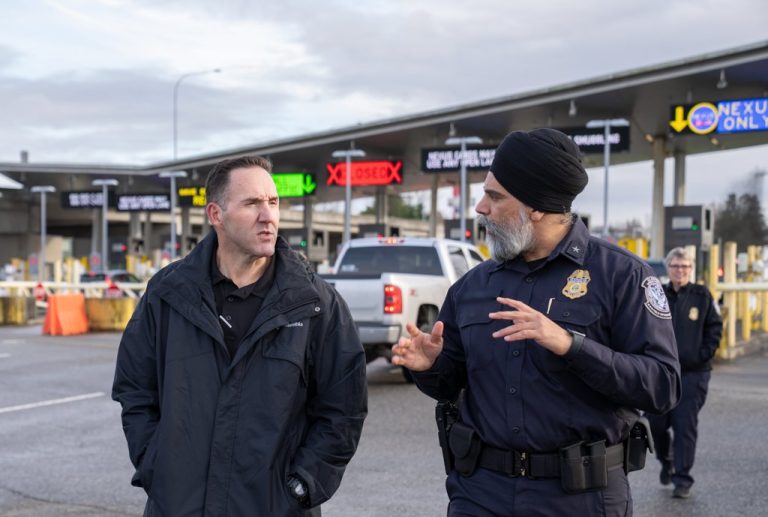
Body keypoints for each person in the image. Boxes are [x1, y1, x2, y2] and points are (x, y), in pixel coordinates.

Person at [392, 128, 681, 516]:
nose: (480, 207)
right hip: (481, 494)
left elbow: (663, 386)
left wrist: (570, 345)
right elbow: (451, 384)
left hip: (582, 498)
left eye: (495, 197)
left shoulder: (622, 276)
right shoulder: (472, 287)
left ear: (537, 207)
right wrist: (429, 368)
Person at [112, 155, 367, 516]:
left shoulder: (314, 303)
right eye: (252, 204)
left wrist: (302, 485)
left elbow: (344, 410)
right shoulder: (168, 294)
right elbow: (135, 389)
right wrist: (157, 465)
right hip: (180, 506)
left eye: (273, 202)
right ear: (216, 215)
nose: (268, 216)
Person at [645, 247, 723, 499]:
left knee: (684, 425)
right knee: (656, 424)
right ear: (668, 269)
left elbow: (715, 327)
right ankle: (666, 461)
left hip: (693, 374)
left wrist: (703, 354)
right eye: (676, 266)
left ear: (691, 269)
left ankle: (682, 479)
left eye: (685, 267)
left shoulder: (702, 296)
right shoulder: (657, 295)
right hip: (660, 373)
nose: (680, 271)